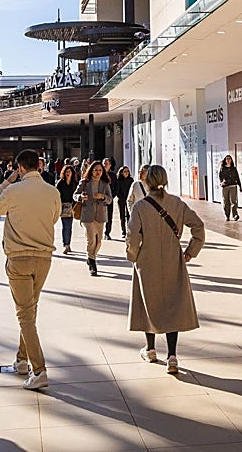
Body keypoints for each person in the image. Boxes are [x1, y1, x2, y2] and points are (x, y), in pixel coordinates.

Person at [0, 149, 61, 391]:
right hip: (44, 257)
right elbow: (54, 218)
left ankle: (38, 370)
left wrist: (5, 182)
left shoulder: (13, 191)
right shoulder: (53, 192)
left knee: (25, 314)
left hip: (19, 257)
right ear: (39, 165)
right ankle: (22, 360)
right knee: (30, 309)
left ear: (19, 168)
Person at [126, 164, 205, 375]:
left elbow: (133, 236)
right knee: (172, 304)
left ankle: (150, 349)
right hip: (173, 258)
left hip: (147, 259)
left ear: (146, 182)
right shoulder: (177, 203)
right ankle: (172, 355)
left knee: (146, 303)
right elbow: (198, 226)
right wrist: (190, 251)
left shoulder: (140, 207)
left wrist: (132, 255)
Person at [75, 160, 113, 276]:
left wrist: (102, 197)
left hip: (100, 215)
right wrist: (81, 197)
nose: (98, 172)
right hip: (87, 214)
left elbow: (110, 199)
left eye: (100, 170)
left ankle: (92, 256)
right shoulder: (85, 182)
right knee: (91, 239)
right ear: (91, 171)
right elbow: (75, 194)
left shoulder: (105, 184)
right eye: (96, 170)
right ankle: (92, 262)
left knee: (99, 241)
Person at [56, 164, 79, 254]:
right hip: (63, 206)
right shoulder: (60, 183)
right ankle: (66, 244)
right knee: (66, 226)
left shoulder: (75, 183)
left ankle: (68, 243)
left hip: (73, 207)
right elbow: (57, 195)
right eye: (67, 172)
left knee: (69, 227)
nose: (68, 173)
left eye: (70, 172)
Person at [218, 155, 242, 221]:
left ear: (231, 160)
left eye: (229, 159)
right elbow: (220, 178)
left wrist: (240, 186)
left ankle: (235, 215)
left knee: (233, 201)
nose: (228, 160)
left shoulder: (233, 168)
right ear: (225, 160)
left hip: (233, 186)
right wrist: (222, 183)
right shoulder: (222, 169)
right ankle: (227, 216)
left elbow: (237, 177)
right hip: (225, 187)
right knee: (226, 202)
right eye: (227, 159)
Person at [114, 165, 134, 237]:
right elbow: (117, 191)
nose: (126, 173)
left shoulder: (131, 180)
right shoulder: (118, 181)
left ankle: (129, 230)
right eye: (125, 171)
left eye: (128, 171)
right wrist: (121, 197)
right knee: (122, 216)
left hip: (129, 199)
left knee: (129, 215)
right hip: (121, 200)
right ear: (121, 173)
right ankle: (123, 231)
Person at [102, 159, 116, 240]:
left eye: (107, 163)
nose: (105, 165)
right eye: (104, 163)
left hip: (109, 199)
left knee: (109, 217)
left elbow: (116, 187)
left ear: (110, 165)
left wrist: (111, 196)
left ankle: (107, 233)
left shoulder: (113, 175)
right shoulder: (99, 173)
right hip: (100, 200)